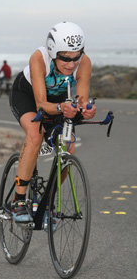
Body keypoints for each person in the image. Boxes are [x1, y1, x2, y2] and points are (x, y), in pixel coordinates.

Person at [9, 21, 96, 223]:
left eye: (76, 57)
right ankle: (19, 200)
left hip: (57, 101)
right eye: (65, 58)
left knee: (69, 148)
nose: (71, 64)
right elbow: (40, 104)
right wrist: (60, 108)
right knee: (35, 135)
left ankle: (48, 200)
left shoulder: (85, 62)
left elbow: (82, 99)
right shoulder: (39, 58)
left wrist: (86, 109)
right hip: (28, 96)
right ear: (53, 51)